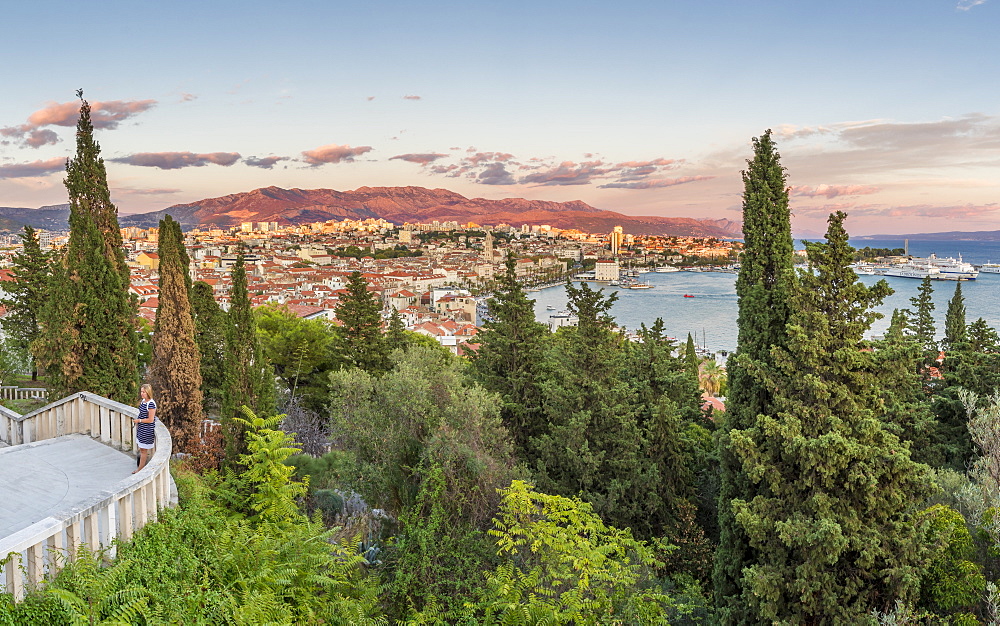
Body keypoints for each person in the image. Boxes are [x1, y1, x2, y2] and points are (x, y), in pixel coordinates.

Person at [133, 384, 157, 474]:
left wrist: (139, 420)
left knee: (144, 450)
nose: (142, 394)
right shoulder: (143, 401)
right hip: (141, 428)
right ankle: (140, 467)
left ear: (148, 392)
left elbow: (151, 419)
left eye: (144, 392)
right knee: (142, 449)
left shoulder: (151, 404)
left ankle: (140, 469)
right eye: (141, 391)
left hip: (147, 430)